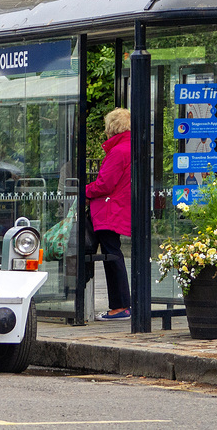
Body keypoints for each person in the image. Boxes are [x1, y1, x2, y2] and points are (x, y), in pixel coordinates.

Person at [86, 107, 132, 321]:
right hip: (119, 208)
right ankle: (121, 304)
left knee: (111, 255)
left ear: (111, 127)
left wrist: (84, 190)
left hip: (108, 210)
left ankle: (120, 305)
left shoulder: (119, 151)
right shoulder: (130, 147)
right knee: (113, 254)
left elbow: (105, 184)